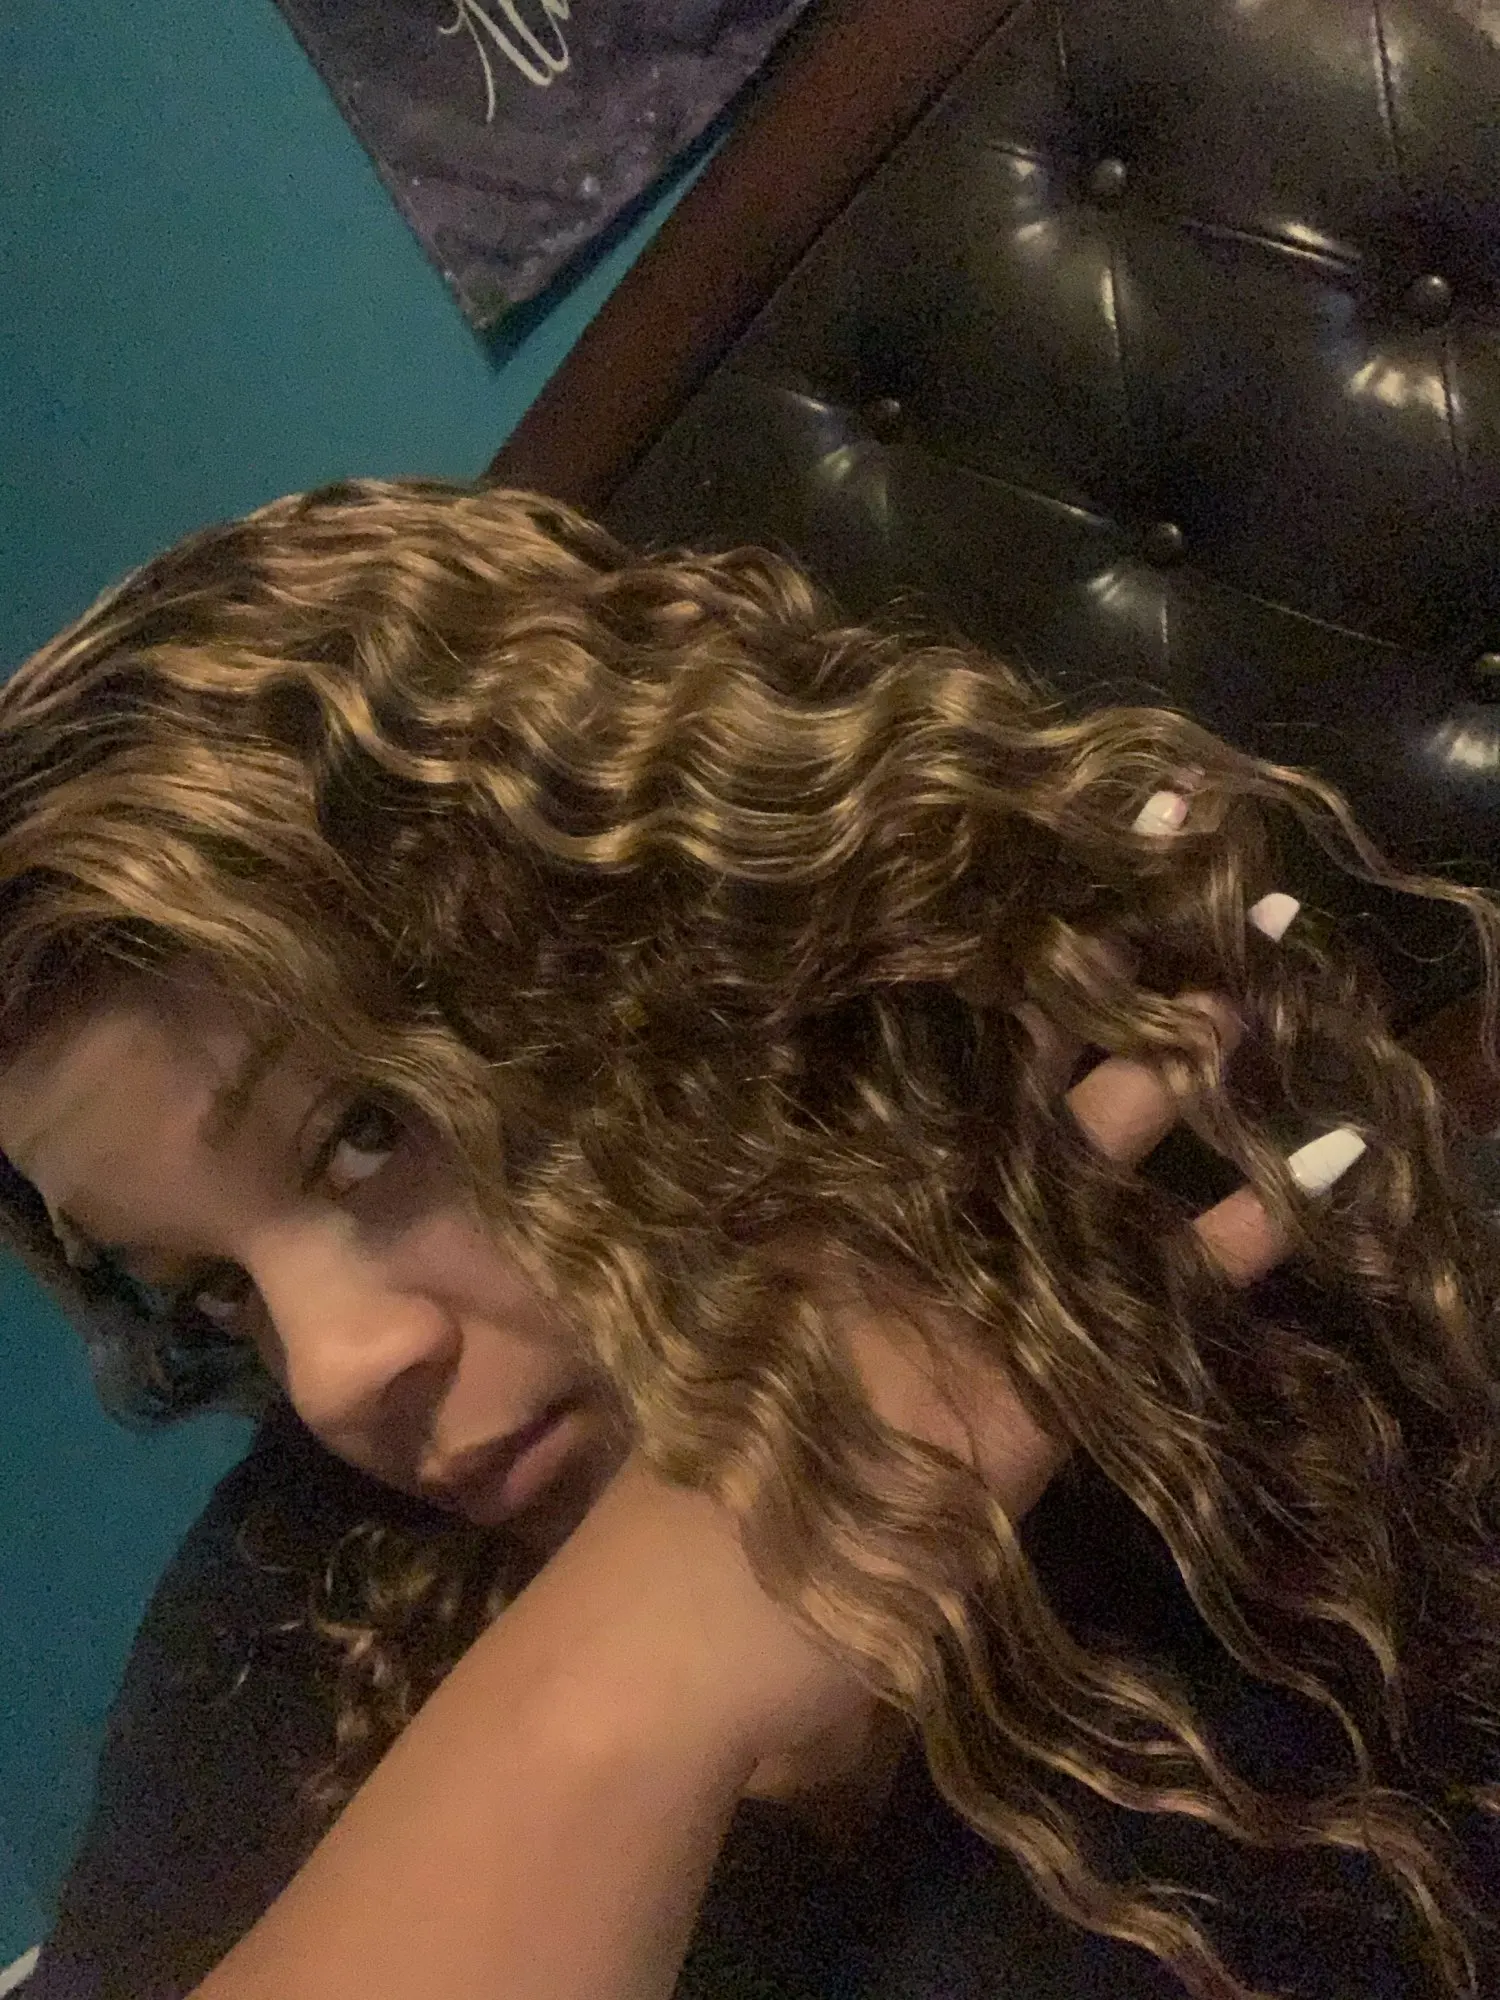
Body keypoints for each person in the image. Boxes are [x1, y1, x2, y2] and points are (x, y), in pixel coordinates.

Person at [1, 478, 1498, 2000]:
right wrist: (638, 1682)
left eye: (368, 1127)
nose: (329, 1374)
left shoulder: (1304, 1410)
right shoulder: (306, 1581)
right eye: (215, 1290)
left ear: (678, 935)